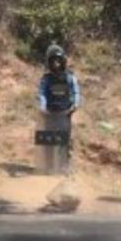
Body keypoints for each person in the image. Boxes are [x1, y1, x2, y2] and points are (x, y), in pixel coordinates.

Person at [36, 45, 81, 173]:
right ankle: (48, 167)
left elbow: (76, 91)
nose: (56, 63)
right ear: (49, 62)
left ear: (63, 61)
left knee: (65, 141)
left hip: (65, 113)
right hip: (49, 114)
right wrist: (43, 107)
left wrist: (75, 104)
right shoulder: (46, 79)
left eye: (58, 60)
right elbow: (42, 94)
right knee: (49, 140)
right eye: (53, 61)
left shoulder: (70, 77)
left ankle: (64, 167)